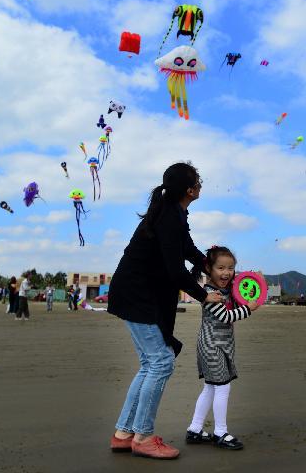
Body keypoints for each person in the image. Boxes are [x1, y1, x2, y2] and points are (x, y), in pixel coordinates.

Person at [107, 162, 223, 460]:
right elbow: (175, 271)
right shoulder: (169, 216)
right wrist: (203, 295)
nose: (200, 185)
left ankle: (123, 433)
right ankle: (143, 437)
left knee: (151, 362)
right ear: (189, 189)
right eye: (198, 180)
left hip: (139, 293)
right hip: (138, 294)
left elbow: (188, 250)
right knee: (160, 362)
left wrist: (214, 268)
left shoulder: (175, 213)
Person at [186, 246, 257, 451]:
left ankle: (195, 429)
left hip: (221, 346)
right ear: (209, 268)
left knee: (210, 387)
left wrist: (253, 282)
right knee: (223, 387)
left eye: (231, 268)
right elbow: (227, 316)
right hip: (211, 346)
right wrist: (248, 309)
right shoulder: (209, 293)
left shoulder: (227, 290)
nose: (226, 272)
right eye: (220, 268)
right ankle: (220, 432)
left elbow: (242, 292)